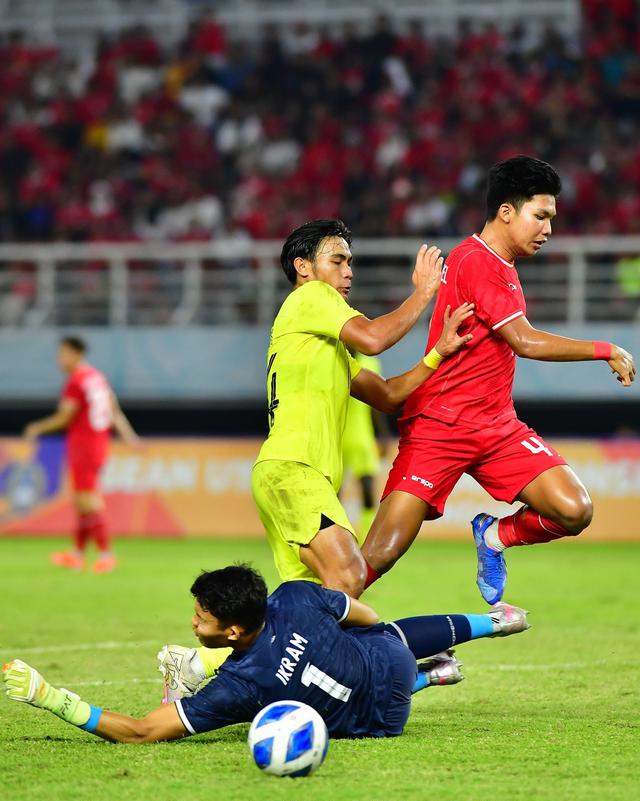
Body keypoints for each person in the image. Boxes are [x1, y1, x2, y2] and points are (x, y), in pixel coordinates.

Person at [361, 156, 636, 604]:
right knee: (377, 556)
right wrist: (604, 349)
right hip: (439, 427)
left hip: (496, 427)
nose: (548, 229)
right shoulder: (476, 261)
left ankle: (494, 536)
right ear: (507, 211)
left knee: (574, 509)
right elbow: (524, 341)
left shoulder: (500, 264)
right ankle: (292, 634)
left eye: (552, 218)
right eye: (540, 216)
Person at [2, 564, 530, 742]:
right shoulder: (295, 596)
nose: (192, 622)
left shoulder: (239, 686)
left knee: (331, 694)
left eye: (201, 619)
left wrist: (50, 697)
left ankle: (430, 679)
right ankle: (493, 621)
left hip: (383, 721)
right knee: (386, 633)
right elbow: (364, 617)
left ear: (232, 632)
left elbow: (142, 731)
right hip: (386, 664)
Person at [251, 218, 474, 596]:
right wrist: (423, 294)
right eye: (337, 261)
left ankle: (206, 658)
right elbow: (372, 338)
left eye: (349, 263)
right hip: (295, 469)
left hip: (288, 473)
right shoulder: (311, 296)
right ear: (303, 267)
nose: (348, 272)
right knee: (350, 574)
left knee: (311, 601)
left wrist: (437, 354)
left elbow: (386, 395)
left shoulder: (322, 345)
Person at [23, 336, 142, 573]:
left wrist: (37, 427)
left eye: (63, 354)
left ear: (76, 353)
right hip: (98, 444)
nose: (59, 360)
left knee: (89, 499)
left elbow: (64, 417)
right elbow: (114, 412)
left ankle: (106, 555)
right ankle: (76, 554)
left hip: (84, 445)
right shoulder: (97, 378)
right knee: (81, 501)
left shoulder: (76, 382)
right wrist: (130, 437)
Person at [341, 351, 390, 541]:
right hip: (337, 436)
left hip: (362, 435)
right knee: (334, 493)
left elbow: (376, 402)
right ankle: (339, 539)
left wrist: (383, 434)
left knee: (368, 490)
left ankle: (366, 539)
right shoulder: (334, 358)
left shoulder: (371, 364)